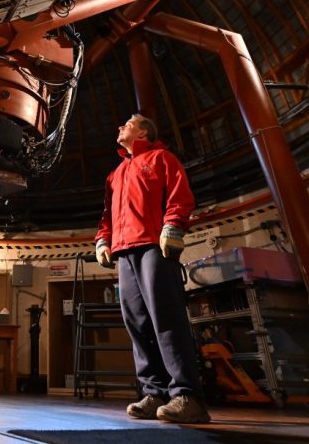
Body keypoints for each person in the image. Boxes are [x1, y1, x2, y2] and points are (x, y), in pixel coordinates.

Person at [95, 113, 210, 424]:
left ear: (143, 130)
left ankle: (187, 395)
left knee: (166, 317)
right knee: (138, 324)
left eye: (127, 123)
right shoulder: (115, 174)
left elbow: (178, 195)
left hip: (153, 245)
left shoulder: (162, 157)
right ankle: (155, 392)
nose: (120, 126)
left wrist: (173, 225)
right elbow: (107, 214)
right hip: (124, 251)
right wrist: (103, 240)